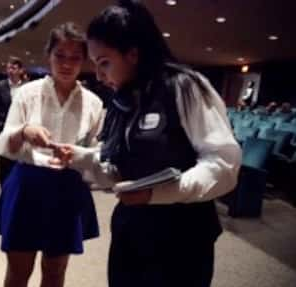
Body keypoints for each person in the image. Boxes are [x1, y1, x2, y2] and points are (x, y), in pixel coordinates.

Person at [51, 2, 242, 286]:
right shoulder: (121, 97)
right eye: (96, 64)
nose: (99, 75)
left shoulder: (184, 86)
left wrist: (159, 193)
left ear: (133, 54)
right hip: (131, 230)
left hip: (182, 237)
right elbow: (117, 162)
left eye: (104, 62)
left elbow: (224, 166)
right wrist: (81, 156)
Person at [0, 22, 103, 287]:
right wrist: (25, 130)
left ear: (83, 61)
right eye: (60, 56)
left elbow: (96, 149)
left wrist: (80, 155)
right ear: (48, 57)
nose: (67, 64)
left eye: (75, 58)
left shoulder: (93, 103)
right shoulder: (28, 94)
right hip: (28, 184)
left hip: (67, 188)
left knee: (55, 273)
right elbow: (5, 143)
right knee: (18, 271)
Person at [0, 57, 25, 186]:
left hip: (22, 133)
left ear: (21, 70)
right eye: (8, 68)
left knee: (21, 164)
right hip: (4, 131)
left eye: (14, 68)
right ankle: (4, 191)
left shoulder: (26, 87)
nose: (10, 70)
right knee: (5, 164)